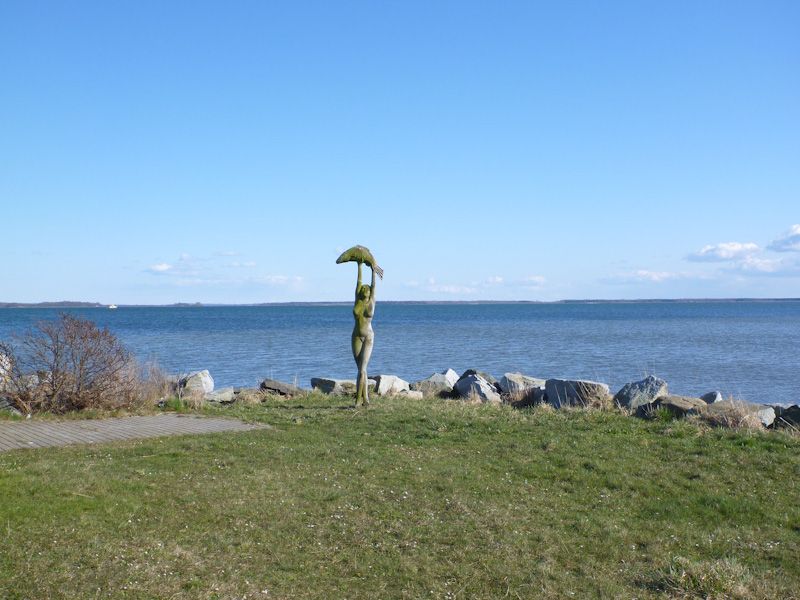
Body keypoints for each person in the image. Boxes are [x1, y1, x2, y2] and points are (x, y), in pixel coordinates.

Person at [352, 261, 377, 406]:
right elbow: (359, 281)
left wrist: (373, 271)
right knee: (361, 370)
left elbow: (373, 285)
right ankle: (366, 399)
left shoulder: (372, 300)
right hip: (356, 336)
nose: (365, 288)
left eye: (367, 288)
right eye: (363, 288)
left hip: (368, 336)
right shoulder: (357, 300)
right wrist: (359, 265)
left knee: (362, 369)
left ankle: (358, 400)